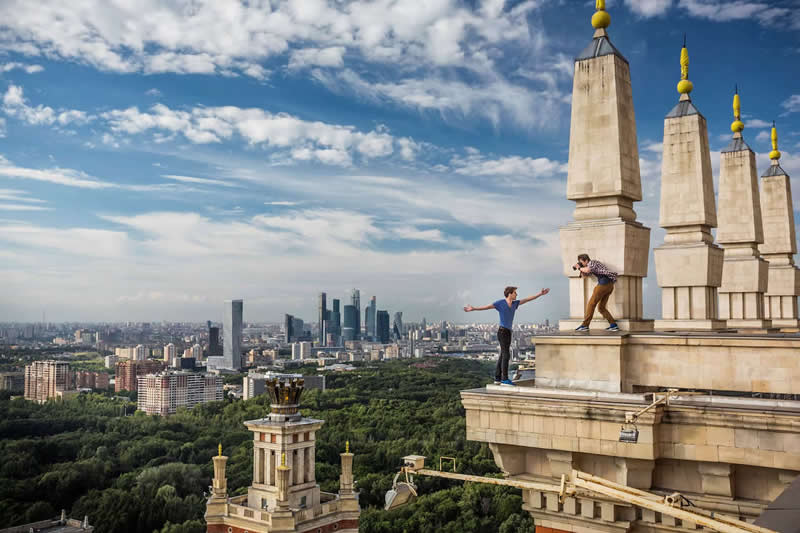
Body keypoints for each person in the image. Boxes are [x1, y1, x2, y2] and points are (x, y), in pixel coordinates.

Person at [464, 286, 550, 385]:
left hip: (508, 332)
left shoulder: (515, 304)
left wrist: (540, 294)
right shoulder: (500, 303)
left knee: (503, 354)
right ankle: (504, 378)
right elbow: (486, 307)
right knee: (506, 354)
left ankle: (497, 378)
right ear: (510, 293)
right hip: (502, 332)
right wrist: (473, 308)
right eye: (515, 293)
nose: (516, 295)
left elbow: (527, 299)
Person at [572, 254, 619, 332]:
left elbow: (587, 270)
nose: (581, 264)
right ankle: (613, 325)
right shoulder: (591, 266)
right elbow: (585, 276)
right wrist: (580, 269)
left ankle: (585, 325)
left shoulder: (592, 262)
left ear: (586, 260)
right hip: (609, 286)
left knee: (591, 304)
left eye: (581, 262)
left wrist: (579, 267)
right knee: (601, 308)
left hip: (603, 285)